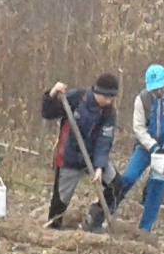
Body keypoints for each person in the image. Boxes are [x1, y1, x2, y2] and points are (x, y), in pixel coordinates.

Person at [113, 64, 164, 230]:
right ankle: (107, 210)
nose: (157, 93)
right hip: (145, 148)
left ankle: (145, 228)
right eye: (154, 89)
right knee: (128, 178)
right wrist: (152, 145)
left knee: (157, 188)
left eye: (160, 88)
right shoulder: (142, 99)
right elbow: (139, 128)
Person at [41, 74, 117, 229]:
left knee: (116, 184)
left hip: (93, 158)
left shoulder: (109, 112)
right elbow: (48, 113)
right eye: (106, 97)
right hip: (68, 159)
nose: (109, 101)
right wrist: (52, 94)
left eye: (112, 98)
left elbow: (105, 140)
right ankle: (53, 229)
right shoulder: (76, 99)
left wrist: (99, 167)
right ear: (97, 92)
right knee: (59, 204)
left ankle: (95, 219)